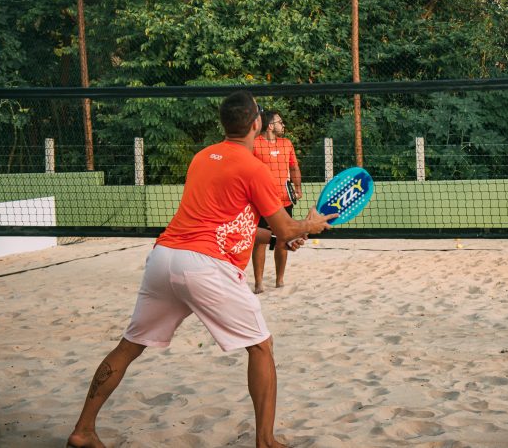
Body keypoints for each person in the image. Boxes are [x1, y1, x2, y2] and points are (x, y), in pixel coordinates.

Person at [67, 92, 336, 448]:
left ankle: (82, 431)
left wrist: (276, 239)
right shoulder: (254, 167)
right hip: (205, 267)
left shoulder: (203, 157)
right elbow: (288, 228)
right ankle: (266, 441)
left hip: (164, 257)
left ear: (225, 124)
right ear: (256, 122)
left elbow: (225, 223)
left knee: (129, 346)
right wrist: (309, 226)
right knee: (261, 347)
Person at [252, 110, 303, 293]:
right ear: (270, 126)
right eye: (280, 122)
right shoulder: (254, 144)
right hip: (262, 202)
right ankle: (258, 282)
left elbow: (294, 167)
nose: (283, 125)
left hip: (284, 201)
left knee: (284, 239)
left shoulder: (286, 143)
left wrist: (297, 188)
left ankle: (279, 280)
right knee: (260, 242)